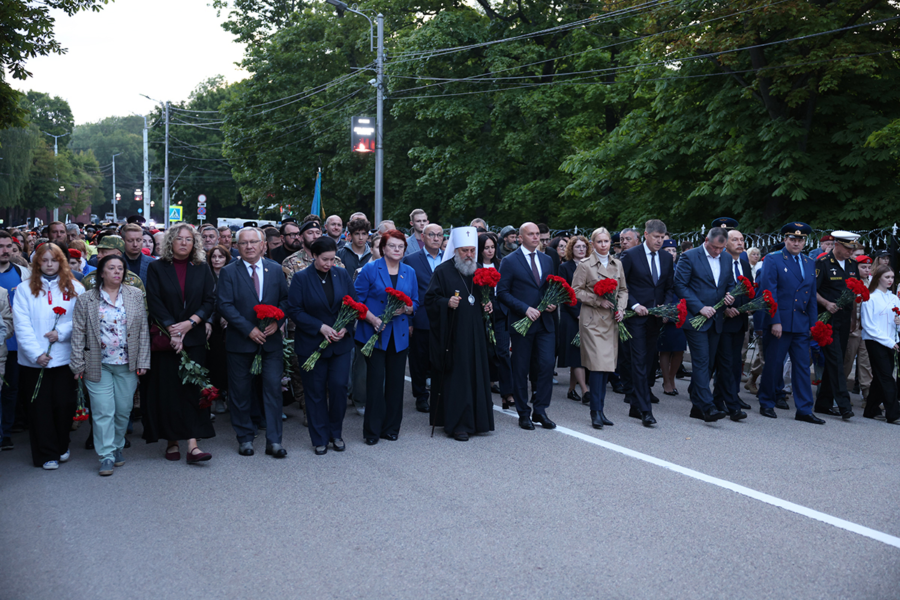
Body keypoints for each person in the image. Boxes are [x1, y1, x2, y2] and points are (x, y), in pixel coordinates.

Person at [70, 255, 150, 475]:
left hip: (127, 363)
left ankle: (117, 446)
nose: (117, 272)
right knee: (103, 410)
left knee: (123, 411)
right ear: (102, 273)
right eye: (112, 268)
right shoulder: (86, 299)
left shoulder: (134, 295)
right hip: (98, 363)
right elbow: (78, 332)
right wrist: (77, 364)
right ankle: (106, 455)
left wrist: (143, 360)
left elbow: (143, 329)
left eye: (120, 268)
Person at [144, 224, 217, 463]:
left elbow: (209, 300)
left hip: (194, 338)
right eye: (179, 238)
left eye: (188, 239)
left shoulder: (202, 267)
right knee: (169, 391)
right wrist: (172, 329)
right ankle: (172, 440)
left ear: (194, 243)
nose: (184, 243)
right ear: (170, 242)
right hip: (166, 339)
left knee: (192, 390)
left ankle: (192, 444)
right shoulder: (156, 267)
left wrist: (190, 323)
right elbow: (154, 301)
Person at [217, 227, 289, 457]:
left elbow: (286, 300)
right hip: (240, 342)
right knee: (240, 391)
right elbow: (224, 305)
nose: (249, 246)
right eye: (244, 243)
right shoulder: (228, 272)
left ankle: (274, 441)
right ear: (237, 246)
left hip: (271, 342)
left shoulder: (275, 270)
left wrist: (277, 322)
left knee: (273, 389)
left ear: (263, 245)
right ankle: (245, 437)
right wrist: (248, 329)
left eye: (253, 242)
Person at [14, 243, 84, 469]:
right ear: (37, 263)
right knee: (40, 409)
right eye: (44, 260)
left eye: (54, 260)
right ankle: (46, 454)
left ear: (61, 262)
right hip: (35, 362)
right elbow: (21, 324)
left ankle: (62, 444)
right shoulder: (24, 289)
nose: (49, 264)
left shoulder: (75, 288)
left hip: (64, 358)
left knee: (64, 405)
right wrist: (36, 354)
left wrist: (61, 333)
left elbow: (80, 320)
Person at [286, 237, 358, 454]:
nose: (329, 264)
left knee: (338, 387)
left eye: (332, 259)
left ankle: (336, 433)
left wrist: (345, 327)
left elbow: (353, 304)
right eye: (325, 259)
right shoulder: (301, 278)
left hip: (339, 344)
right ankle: (319, 437)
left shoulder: (341, 274)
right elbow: (294, 310)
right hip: (312, 344)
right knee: (315, 391)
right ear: (314, 256)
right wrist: (320, 327)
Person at [424, 227, 495, 441]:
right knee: (459, 378)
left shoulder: (479, 270)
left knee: (477, 374)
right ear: (455, 250)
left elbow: (487, 297)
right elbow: (430, 300)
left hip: (476, 334)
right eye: (465, 251)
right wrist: (447, 302)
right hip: (454, 335)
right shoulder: (443, 271)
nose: (469, 255)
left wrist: (489, 304)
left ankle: (479, 421)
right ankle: (459, 424)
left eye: (472, 250)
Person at [354, 230, 418, 445]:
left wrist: (407, 309)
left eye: (401, 246)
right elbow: (357, 301)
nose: (397, 250)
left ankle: (391, 428)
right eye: (392, 245)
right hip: (374, 333)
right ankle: (372, 431)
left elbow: (416, 302)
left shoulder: (409, 271)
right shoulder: (370, 269)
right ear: (383, 248)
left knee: (395, 384)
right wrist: (373, 319)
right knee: (374, 384)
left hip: (399, 335)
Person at [757, 223, 824, 423]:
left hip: (801, 323)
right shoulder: (773, 259)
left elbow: (811, 296)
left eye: (800, 240)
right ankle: (767, 402)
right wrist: (774, 321)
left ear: (805, 242)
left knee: (802, 367)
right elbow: (769, 292)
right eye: (792, 239)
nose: (796, 243)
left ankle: (804, 409)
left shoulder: (809, 262)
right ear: (785, 239)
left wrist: (813, 325)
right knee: (774, 364)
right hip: (781, 322)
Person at [497, 222, 558, 431]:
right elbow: (502, 292)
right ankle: (523, 412)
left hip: (545, 322)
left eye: (537, 234)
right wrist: (524, 309)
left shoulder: (547, 259)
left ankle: (540, 410)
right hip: (522, 323)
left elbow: (551, 288)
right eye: (531, 234)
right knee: (521, 368)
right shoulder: (509, 261)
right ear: (520, 238)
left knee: (547, 365)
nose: (536, 237)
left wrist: (553, 302)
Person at [675, 226, 737, 422]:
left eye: (721, 248)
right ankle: (708, 407)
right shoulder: (690, 256)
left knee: (708, 363)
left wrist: (730, 295)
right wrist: (700, 307)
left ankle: (697, 406)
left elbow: (730, 283)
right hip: (696, 318)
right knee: (701, 361)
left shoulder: (726, 258)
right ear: (706, 240)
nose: (717, 252)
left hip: (716, 318)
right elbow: (680, 285)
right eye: (714, 248)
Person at [620, 219, 674, 427]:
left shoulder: (666, 258)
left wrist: (665, 306)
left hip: (655, 318)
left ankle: (635, 405)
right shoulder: (631, 255)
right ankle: (645, 410)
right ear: (646, 235)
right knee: (639, 361)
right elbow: (622, 285)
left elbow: (669, 286)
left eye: (662, 238)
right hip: (635, 318)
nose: (659, 241)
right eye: (656, 237)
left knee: (648, 361)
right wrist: (634, 305)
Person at [573, 227, 627, 429]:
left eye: (606, 241)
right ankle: (595, 411)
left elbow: (623, 290)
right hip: (593, 321)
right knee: (598, 367)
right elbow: (575, 291)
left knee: (606, 368)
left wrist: (621, 308)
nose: (603, 245)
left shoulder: (617, 264)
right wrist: (598, 300)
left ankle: (600, 410)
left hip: (611, 320)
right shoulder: (585, 265)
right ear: (593, 244)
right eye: (599, 241)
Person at [813, 230, 861, 419]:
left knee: (836, 360)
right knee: (835, 359)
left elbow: (853, 293)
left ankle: (823, 403)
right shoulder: (823, 263)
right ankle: (844, 405)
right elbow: (812, 290)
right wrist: (826, 303)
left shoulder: (852, 264)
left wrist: (853, 319)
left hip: (844, 318)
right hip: (827, 319)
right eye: (848, 248)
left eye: (853, 248)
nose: (851, 252)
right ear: (837, 245)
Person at [403, 223, 443, 413]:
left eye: (439, 235)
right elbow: (407, 292)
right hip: (421, 317)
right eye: (431, 235)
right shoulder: (411, 260)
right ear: (423, 237)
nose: (436, 238)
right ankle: (420, 396)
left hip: (444, 317)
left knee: (440, 359)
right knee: (419, 360)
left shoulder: (449, 258)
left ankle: (439, 395)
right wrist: (409, 320)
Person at [713, 228, 754, 417]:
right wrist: (724, 308)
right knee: (726, 362)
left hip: (740, 320)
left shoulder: (744, 263)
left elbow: (748, 289)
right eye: (735, 240)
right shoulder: (719, 261)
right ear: (725, 243)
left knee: (734, 362)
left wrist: (750, 306)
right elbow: (715, 289)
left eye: (742, 239)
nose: (739, 243)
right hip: (723, 320)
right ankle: (732, 405)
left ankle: (719, 398)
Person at [0, 231, 29, 449]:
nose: (5, 250)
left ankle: (6, 432)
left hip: (17, 344)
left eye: (8, 246)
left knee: (11, 390)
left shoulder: (22, 273)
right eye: (0, 246)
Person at [860, 264, 900, 422]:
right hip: (875, 341)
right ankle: (894, 414)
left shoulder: (894, 298)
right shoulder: (869, 298)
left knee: (880, 377)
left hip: (891, 341)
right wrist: (889, 342)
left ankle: (871, 409)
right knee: (887, 377)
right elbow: (868, 325)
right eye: (887, 277)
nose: (890, 280)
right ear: (878, 278)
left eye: (892, 277)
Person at [478, 232, 512, 409]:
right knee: (486, 354)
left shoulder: (501, 264)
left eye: (492, 247)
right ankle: (484, 393)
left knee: (503, 352)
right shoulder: (475, 266)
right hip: (482, 314)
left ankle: (508, 392)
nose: (490, 251)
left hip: (501, 312)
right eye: (486, 248)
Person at [558, 235, 590, 402]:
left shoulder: (591, 265)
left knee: (580, 354)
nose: (581, 249)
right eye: (578, 246)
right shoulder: (565, 267)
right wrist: (577, 313)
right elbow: (564, 293)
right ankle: (585, 391)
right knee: (575, 354)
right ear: (571, 249)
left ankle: (572, 389)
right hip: (571, 315)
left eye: (584, 246)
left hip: (589, 313)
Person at [658, 239, 686, 396]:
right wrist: (663, 311)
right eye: (667, 250)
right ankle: (666, 381)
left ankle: (672, 377)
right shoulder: (660, 267)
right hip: (665, 312)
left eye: (673, 250)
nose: (671, 253)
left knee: (679, 349)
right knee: (665, 349)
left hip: (680, 312)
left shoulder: (680, 268)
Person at [207, 245, 232, 414]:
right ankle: (217, 397)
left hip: (230, 323)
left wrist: (228, 316)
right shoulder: (206, 275)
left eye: (220, 257)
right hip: (212, 324)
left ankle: (230, 394)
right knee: (215, 362)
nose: (217, 260)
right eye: (214, 257)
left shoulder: (231, 273)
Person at [81, 236, 147, 295]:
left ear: (118, 254)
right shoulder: (88, 280)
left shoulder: (134, 281)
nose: (98, 256)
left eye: (103, 252)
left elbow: (141, 304)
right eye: (98, 252)